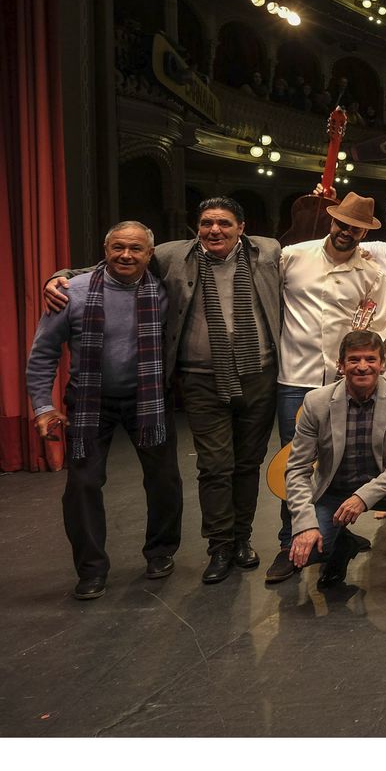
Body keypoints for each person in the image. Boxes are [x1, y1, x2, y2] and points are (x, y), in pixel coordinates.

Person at [47, 197, 284, 586]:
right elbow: (120, 261)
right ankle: (220, 547)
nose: (214, 231)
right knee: (214, 465)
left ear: (241, 227)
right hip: (199, 377)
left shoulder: (269, 250)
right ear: (197, 226)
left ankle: (242, 539)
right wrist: (60, 276)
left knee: (247, 464)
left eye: (224, 223)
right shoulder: (175, 255)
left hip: (257, 372)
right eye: (206, 223)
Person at [28, 222, 181, 601]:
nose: (125, 255)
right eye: (117, 247)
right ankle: (91, 569)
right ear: (105, 248)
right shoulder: (71, 293)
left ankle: (161, 552)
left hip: (148, 400)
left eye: (135, 249)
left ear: (150, 254)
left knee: (164, 481)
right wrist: (43, 407)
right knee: (82, 487)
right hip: (89, 402)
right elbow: (43, 353)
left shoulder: (166, 292)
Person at [268, 193, 386, 584]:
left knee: (344, 461)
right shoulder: (293, 257)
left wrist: (365, 375)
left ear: (363, 233)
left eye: (355, 229)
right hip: (296, 377)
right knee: (295, 464)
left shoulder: (372, 275)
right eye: (342, 224)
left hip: (345, 383)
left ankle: (334, 537)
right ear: (331, 221)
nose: (346, 233)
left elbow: (378, 331)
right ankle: (291, 540)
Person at [284, 330, 386, 598]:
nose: (362, 366)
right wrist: (305, 523)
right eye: (354, 360)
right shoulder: (316, 403)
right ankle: (342, 544)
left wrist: (363, 497)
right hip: (334, 490)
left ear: (382, 363)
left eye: (370, 359)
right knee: (309, 550)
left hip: (384, 487)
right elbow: (297, 469)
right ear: (341, 365)